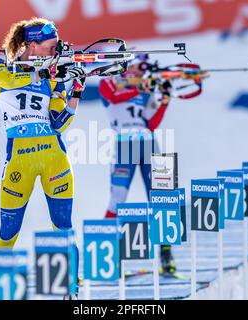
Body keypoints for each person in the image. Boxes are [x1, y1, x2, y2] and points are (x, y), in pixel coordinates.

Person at [0, 17, 84, 299]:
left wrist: (74, 92)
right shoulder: (1, 64)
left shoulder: (53, 75)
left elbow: (59, 123)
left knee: (63, 228)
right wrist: (42, 75)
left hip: (54, 157)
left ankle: (73, 291)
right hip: (19, 160)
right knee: (8, 232)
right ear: (32, 45)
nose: (55, 52)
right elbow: (5, 80)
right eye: (51, 47)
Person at [99, 55, 177, 274]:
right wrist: (144, 84)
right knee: (117, 199)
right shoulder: (109, 81)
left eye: (143, 71)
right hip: (125, 144)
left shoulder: (145, 88)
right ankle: (108, 257)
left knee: (163, 199)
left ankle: (166, 255)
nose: (140, 73)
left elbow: (151, 123)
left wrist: (165, 99)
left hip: (150, 144)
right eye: (136, 68)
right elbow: (113, 97)